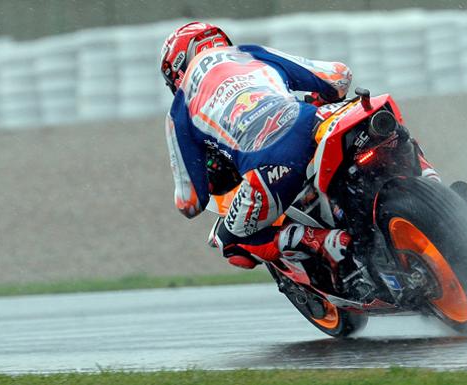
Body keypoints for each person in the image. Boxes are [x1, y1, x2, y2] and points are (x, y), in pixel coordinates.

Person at [160, 22, 440, 295]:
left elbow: (190, 203)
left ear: (176, 71)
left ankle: (328, 242)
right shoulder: (250, 53)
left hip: (270, 164)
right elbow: (338, 77)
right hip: (315, 124)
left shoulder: (179, 111)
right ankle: (432, 182)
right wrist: (317, 97)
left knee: (228, 241)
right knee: (384, 123)